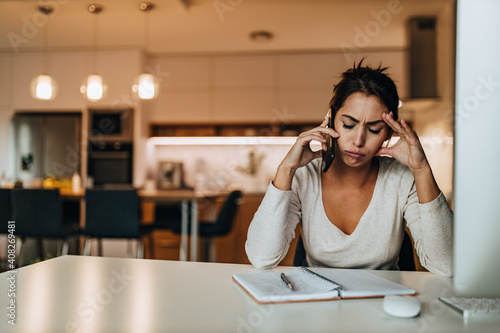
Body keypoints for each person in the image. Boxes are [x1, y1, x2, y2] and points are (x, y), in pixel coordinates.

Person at [245, 60, 453, 277]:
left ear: (389, 133)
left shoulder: (402, 178)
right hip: (319, 301)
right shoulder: (304, 177)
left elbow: (446, 265)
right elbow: (261, 258)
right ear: (331, 120)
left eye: (374, 129)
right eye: (348, 125)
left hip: (382, 302)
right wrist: (286, 169)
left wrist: (421, 169)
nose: (358, 140)